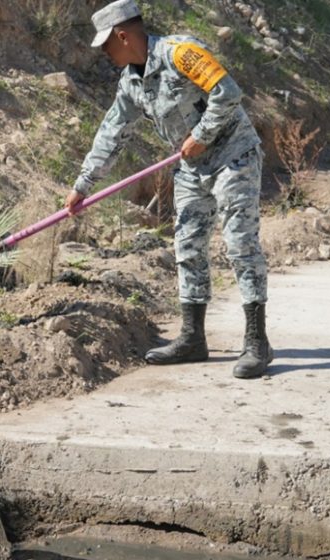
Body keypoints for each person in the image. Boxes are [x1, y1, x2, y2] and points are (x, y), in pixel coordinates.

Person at [64, 0, 273, 379]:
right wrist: (83, 184)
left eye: (107, 45)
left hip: (232, 156)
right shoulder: (130, 82)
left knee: (240, 243)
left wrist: (203, 134)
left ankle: (257, 342)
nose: (105, 54)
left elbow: (228, 93)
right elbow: (112, 132)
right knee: (188, 247)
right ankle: (193, 338)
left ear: (123, 35)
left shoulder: (182, 53)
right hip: (191, 166)